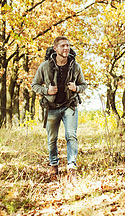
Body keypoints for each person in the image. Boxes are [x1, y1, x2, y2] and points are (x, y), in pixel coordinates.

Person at [32, 36, 87, 177]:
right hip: (51, 107)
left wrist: (76, 88)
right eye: (62, 46)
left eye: (68, 45)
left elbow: (84, 85)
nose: (66, 48)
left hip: (70, 105)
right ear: (55, 48)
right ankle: (54, 165)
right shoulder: (45, 66)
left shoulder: (75, 66)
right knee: (52, 138)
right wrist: (46, 91)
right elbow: (35, 85)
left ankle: (71, 166)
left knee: (71, 136)